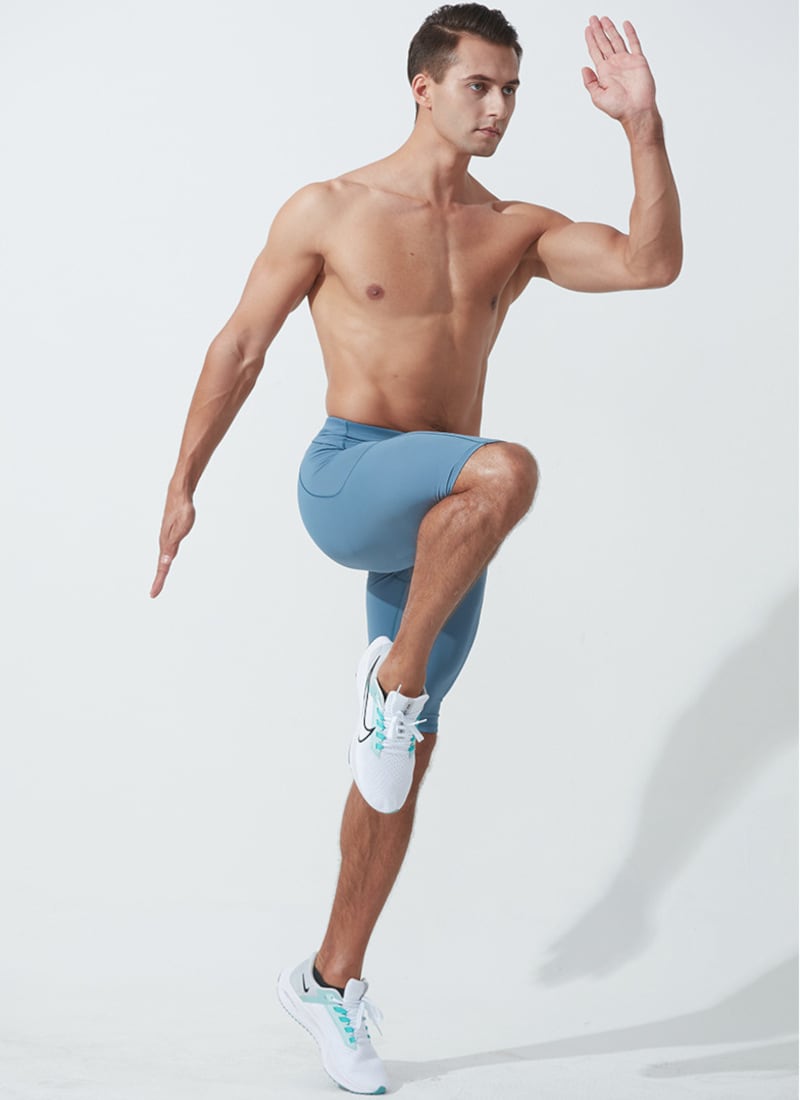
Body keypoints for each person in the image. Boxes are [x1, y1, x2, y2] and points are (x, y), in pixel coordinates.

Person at [151, 3, 681, 1093]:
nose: (498, 107)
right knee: (508, 466)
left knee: (397, 769)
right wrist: (182, 481)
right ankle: (391, 686)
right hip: (351, 477)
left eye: (511, 89)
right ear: (422, 86)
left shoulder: (513, 229)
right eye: (479, 84)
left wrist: (642, 126)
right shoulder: (330, 208)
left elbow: (648, 264)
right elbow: (242, 343)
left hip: (446, 524)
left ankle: (328, 978)